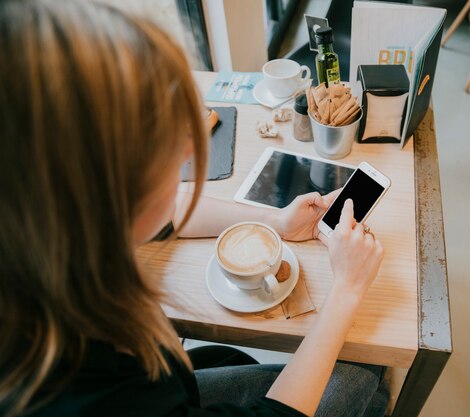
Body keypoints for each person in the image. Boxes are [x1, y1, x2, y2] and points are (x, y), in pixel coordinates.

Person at [0, 1, 388, 416]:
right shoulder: (92, 391)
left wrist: (277, 222)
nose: (190, 147)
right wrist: (346, 289)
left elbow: (172, 211)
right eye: (163, 139)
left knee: (231, 358)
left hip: (170, 377)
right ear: (96, 187)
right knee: (365, 375)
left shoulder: (43, 233)